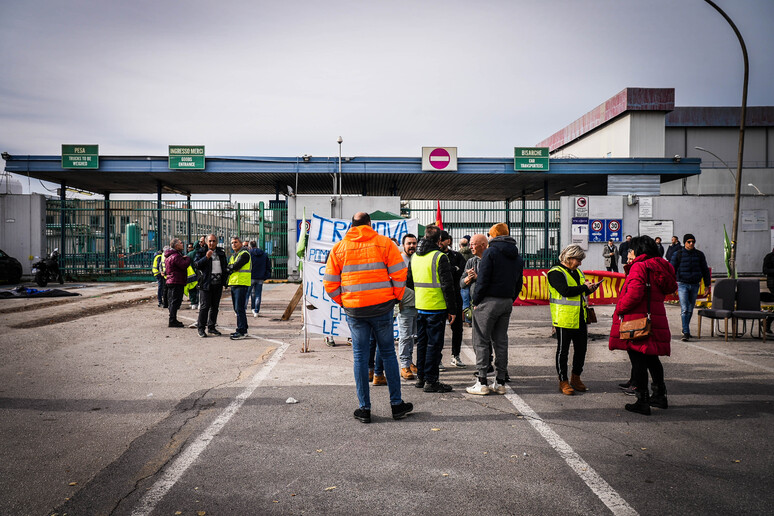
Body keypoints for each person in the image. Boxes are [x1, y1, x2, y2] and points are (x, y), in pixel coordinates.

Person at [323, 212, 412, 423]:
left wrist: (343, 302)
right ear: (370, 224)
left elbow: (329, 283)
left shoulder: (339, 248)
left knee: (360, 357)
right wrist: (395, 297)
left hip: (355, 310)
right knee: (389, 353)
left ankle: (364, 409)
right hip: (382, 307)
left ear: (351, 226)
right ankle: (396, 405)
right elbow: (400, 273)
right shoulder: (385, 244)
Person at [609, 236, 677, 415]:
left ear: (639, 250)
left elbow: (635, 293)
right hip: (654, 318)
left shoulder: (640, 266)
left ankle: (642, 399)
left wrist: (619, 308)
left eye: (631, 249)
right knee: (652, 358)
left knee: (638, 359)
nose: (629, 253)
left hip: (637, 319)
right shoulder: (661, 265)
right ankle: (660, 395)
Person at [466, 224, 523, 395]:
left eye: (489, 234)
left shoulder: (491, 252)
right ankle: (500, 381)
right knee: (501, 341)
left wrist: (476, 300)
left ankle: (482, 381)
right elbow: (518, 283)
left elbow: (482, 280)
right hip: (506, 302)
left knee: (481, 341)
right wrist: (510, 299)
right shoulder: (517, 256)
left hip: (488, 302)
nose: (488, 237)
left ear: (494, 235)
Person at [406, 224, 456, 393]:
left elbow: (409, 282)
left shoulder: (414, 257)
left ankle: (421, 378)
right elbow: (447, 286)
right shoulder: (439, 257)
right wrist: (453, 309)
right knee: (434, 346)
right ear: (439, 240)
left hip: (421, 307)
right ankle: (431, 380)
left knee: (422, 344)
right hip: (437, 307)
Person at [546, 244, 599, 395]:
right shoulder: (555, 272)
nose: (580, 263)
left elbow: (580, 292)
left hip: (580, 317)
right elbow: (565, 291)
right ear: (569, 258)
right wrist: (584, 288)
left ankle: (576, 378)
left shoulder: (577, 272)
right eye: (578, 260)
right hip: (563, 318)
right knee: (563, 351)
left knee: (581, 350)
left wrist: (589, 288)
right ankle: (563, 381)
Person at [670, 233, 710, 341]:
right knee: (685, 309)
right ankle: (686, 332)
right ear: (685, 242)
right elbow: (671, 270)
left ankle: (685, 329)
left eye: (693, 241)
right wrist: (672, 286)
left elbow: (705, 270)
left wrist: (707, 285)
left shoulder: (699, 255)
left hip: (695, 285)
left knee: (690, 309)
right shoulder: (678, 254)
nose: (691, 243)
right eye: (689, 242)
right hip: (682, 284)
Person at [439, 230, 467, 368]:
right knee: (438, 330)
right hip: (439, 297)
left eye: (442, 240)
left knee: (457, 328)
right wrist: (452, 269)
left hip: (455, 296)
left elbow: (461, 273)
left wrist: (452, 270)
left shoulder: (457, 256)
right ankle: (438, 359)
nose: (439, 243)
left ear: (448, 241)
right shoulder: (434, 256)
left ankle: (455, 356)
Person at [194, 234, 228, 338]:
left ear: (216, 242)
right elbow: (196, 264)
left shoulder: (221, 253)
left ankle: (211, 327)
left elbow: (224, 267)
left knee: (215, 307)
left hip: (217, 284)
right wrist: (206, 257)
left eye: (213, 241)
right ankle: (201, 328)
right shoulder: (201, 251)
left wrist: (225, 281)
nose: (211, 243)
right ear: (206, 242)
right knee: (204, 307)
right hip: (206, 284)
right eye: (210, 241)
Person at [397, 233, 419, 379]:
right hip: (404, 304)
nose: (412, 246)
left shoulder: (419, 259)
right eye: (409, 243)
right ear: (403, 245)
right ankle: (404, 366)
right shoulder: (398, 260)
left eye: (414, 243)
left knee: (412, 336)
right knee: (405, 336)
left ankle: (410, 362)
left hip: (419, 304)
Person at [227, 236, 251, 340]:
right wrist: (230, 268)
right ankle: (242, 328)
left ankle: (242, 330)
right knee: (237, 308)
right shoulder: (234, 256)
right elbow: (230, 267)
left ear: (241, 243)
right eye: (232, 243)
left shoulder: (244, 254)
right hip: (235, 283)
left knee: (239, 308)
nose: (234, 244)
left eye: (236, 242)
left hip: (241, 284)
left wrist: (230, 268)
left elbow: (235, 266)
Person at [164, 238, 192, 328]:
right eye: (181, 243)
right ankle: (172, 320)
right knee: (175, 301)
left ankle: (173, 319)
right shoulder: (175, 256)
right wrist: (187, 258)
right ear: (176, 246)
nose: (182, 244)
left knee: (172, 300)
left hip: (171, 280)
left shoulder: (169, 256)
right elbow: (183, 265)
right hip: (176, 280)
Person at [247, 240, 272, 317]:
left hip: (250, 277)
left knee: (247, 294)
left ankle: (243, 309)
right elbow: (268, 266)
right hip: (260, 277)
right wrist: (265, 276)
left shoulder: (249, 254)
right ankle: (256, 311)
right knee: (258, 295)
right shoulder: (264, 254)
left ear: (250, 246)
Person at [762, 248, 774, 334]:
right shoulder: (769, 257)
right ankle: (767, 323)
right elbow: (765, 270)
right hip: (772, 283)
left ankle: (766, 323)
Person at [186, 242, 200, 309]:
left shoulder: (189, 254)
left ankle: (193, 303)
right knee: (200, 289)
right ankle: (199, 302)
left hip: (191, 274)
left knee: (192, 288)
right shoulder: (201, 253)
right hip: (199, 273)